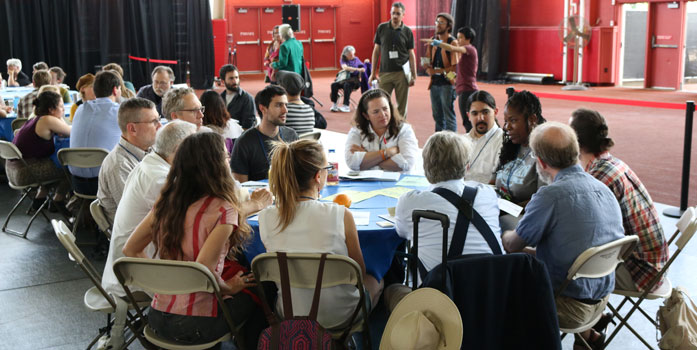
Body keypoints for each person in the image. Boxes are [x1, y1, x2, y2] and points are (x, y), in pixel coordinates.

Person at [123, 132, 268, 350]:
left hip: (156, 318)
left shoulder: (166, 203)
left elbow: (130, 249)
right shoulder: (223, 210)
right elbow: (202, 270)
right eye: (226, 158)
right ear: (218, 166)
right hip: (195, 325)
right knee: (258, 291)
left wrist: (161, 281)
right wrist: (229, 287)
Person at [502, 122, 624, 350]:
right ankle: (589, 337)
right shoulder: (604, 190)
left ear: (541, 162)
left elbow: (512, 245)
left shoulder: (550, 196)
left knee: (501, 283)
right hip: (601, 300)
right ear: (575, 152)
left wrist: (502, 231)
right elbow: (571, 252)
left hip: (566, 305)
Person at [259, 139, 383, 328]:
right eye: (328, 168)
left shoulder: (266, 217)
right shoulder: (340, 214)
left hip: (291, 313)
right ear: (318, 176)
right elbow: (359, 272)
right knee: (377, 281)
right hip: (340, 315)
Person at [385, 131, 502, 311]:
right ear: (467, 165)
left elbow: (401, 233)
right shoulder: (487, 194)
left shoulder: (411, 202)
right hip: (493, 298)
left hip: (439, 305)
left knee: (390, 288)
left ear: (426, 168)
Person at [570, 108, 669, 292]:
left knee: (562, 266)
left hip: (640, 272)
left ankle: (584, 316)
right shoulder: (612, 163)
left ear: (576, 142)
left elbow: (586, 234)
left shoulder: (598, 178)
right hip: (654, 264)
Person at [97, 98, 160, 222]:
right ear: (132, 129)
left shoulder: (150, 149)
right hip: (135, 234)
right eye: (154, 122)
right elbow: (136, 214)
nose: (160, 126)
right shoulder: (119, 165)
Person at [7, 91, 71, 212]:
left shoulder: (34, 119)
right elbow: (72, 132)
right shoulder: (48, 120)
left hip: (13, 170)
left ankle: (40, 198)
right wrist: (60, 117)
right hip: (24, 172)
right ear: (51, 109)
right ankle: (58, 200)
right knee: (72, 166)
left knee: (55, 162)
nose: (63, 109)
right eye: (61, 106)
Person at [494, 90, 547, 231]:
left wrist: (510, 208)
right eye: (506, 122)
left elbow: (543, 201)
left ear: (532, 120)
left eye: (513, 120)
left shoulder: (544, 153)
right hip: (499, 212)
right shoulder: (510, 147)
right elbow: (493, 182)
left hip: (525, 221)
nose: (507, 127)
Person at [230, 85, 298, 182]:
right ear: (263, 108)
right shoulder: (244, 142)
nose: (285, 110)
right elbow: (241, 187)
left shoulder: (291, 136)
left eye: (286, 105)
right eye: (279, 105)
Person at [70, 70, 123, 195]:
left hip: (76, 183)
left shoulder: (79, 109)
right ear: (115, 90)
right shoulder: (120, 112)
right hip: (106, 185)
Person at [345, 89, 418, 172]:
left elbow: (407, 163)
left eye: (385, 109)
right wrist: (387, 153)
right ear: (366, 116)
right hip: (366, 183)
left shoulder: (404, 130)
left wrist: (369, 155)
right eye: (376, 112)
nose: (382, 115)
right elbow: (351, 162)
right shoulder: (357, 131)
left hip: (397, 183)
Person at [423, 26, 479, 131]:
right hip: (449, 86)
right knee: (440, 116)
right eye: (457, 38)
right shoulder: (462, 53)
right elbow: (456, 73)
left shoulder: (465, 48)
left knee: (462, 120)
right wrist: (428, 67)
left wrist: (436, 43)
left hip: (461, 88)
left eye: (460, 38)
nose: (457, 41)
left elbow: (452, 54)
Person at [368, 2, 416, 119]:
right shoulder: (382, 28)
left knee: (402, 106)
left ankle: (400, 129)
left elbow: (411, 54)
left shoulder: (407, 31)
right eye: (393, 13)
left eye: (398, 14)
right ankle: (386, 127)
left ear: (403, 15)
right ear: (390, 13)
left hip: (402, 73)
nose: (395, 16)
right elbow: (376, 51)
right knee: (382, 103)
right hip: (385, 73)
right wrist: (373, 73)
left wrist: (413, 74)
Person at [422, 13, 458, 132]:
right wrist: (426, 67)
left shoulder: (453, 43)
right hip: (434, 83)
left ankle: (452, 144)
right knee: (437, 116)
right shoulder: (433, 41)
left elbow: (455, 68)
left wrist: (438, 71)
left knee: (449, 116)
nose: (438, 24)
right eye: (437, 22)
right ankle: (439, 141)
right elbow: (426, 58)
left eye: (441, 22)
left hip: (448, 83)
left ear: (448, 26)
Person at [463, 90, 504, 184]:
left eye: (485, 112)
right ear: (468, 116)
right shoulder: (462, 141)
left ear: (495, 112)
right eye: (475, 113)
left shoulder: (503, 141)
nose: (480, 118)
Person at [275, 71, 315, 135]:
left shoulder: (284, 110)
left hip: (288, 144)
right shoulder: (310, 109)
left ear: (282, 89)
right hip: (306, 144)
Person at [218, 64, 257, 129]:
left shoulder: (247, 99)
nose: (235, 81)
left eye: (236, 77)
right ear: (222, 81)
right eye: (231, 78)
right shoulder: (219, 98)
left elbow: (248, 126)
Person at [330, 45, 365, 113]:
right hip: (345, 79)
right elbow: (345, 68)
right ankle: (334, 104)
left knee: (347, 85)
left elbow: (363, 68)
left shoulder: (356, 59)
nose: (352, 56)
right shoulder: (343, 59)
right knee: (334, 85)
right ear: (346, 55)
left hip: (355, 80)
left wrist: (364, 66)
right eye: (350, 55)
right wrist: (357, 69)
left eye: (352, 54)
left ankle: (346, 106)